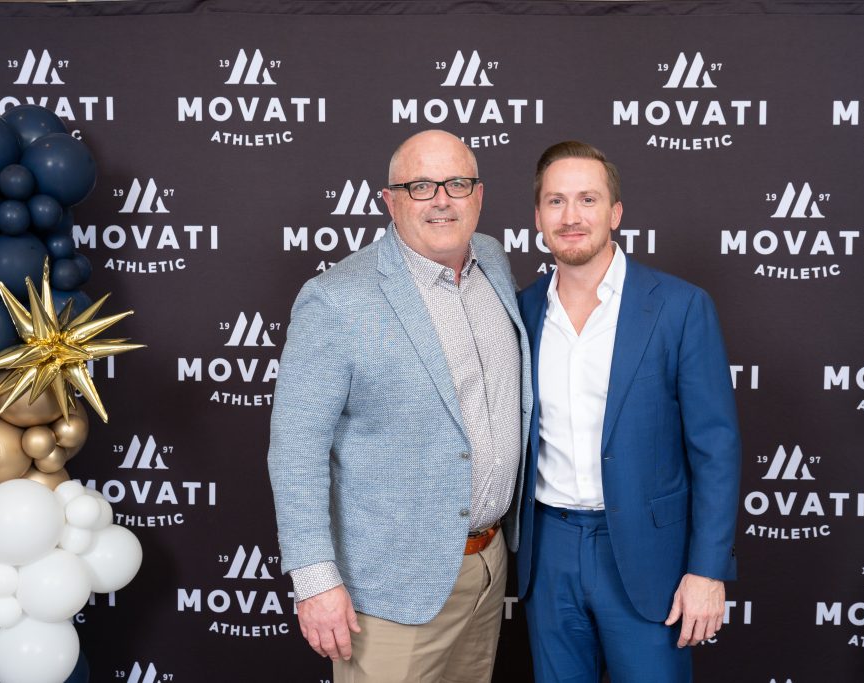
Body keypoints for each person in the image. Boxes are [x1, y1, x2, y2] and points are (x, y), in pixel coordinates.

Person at [268, 129, 531, 683]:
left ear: (479, 195)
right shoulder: (337, 299)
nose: (442, 200)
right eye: (420, 186)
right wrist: (315, 581)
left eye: (457, 184)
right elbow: (296, 450)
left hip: (488, 569)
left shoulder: (491, 260)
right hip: (389, 589)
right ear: (390, 200)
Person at [515, 141, 741, 682]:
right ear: (538, 219)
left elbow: (716, 449)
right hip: (548, 552)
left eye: (588, 199)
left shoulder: (680, 307)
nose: (571, 217)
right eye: (556, 201)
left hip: (649, 556)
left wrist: (708, 570)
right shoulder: (522, 310)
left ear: (615, 213)